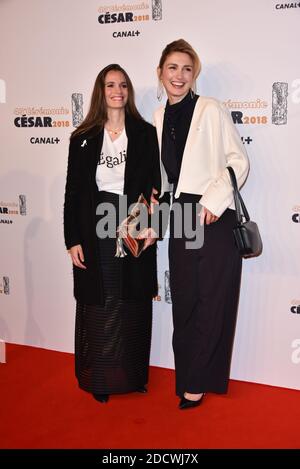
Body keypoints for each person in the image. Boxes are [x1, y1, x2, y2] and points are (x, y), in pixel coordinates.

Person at [153, 39, 250, 409]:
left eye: (187, 69)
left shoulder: (209, 108)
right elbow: (165, 178)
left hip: (211, 214)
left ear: (195, 75)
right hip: (179, 214)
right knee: (186, 302)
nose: (179, 76)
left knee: (211, 301)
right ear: (160, 72)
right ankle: (188, 375)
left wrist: (212, 201)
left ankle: (199, 381)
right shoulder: (160, 116)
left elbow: (238, 162)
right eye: (173, 68)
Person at [64, 64, 160, 404]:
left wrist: (155, 225)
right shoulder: (83, 137)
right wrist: (72, 239)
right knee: (101, 305)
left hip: (133, 222)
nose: (117, 90)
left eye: (122, 84)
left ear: (129, 91)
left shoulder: (146, 134)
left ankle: (133, 376)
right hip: (94, 230)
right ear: (100, 91)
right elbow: (73, 192)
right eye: (110, 84)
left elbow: (155, 187)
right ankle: (100, 378)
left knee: (131, 302)